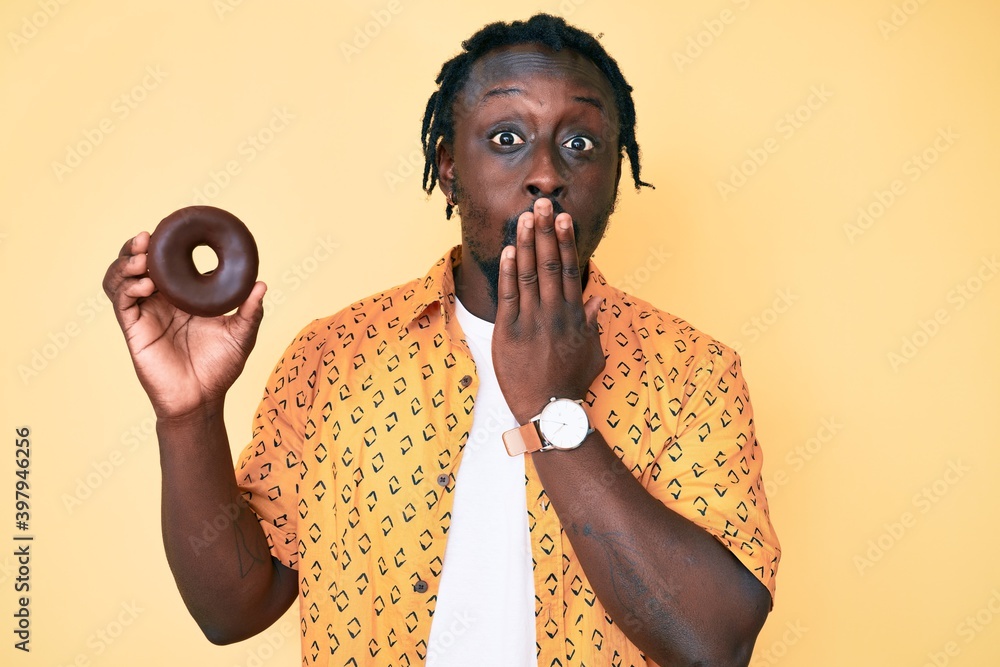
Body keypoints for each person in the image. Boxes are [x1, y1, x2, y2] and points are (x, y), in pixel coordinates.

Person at [103, 13, 779, 667]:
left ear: (613, 180)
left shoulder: (694, 370)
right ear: (449, 168)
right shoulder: (336, 356)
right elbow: (233, 607)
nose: (546, 172)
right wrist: (188, 415)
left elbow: (713, 645)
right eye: (508, 138)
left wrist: (552, 410)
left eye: (581, 143)